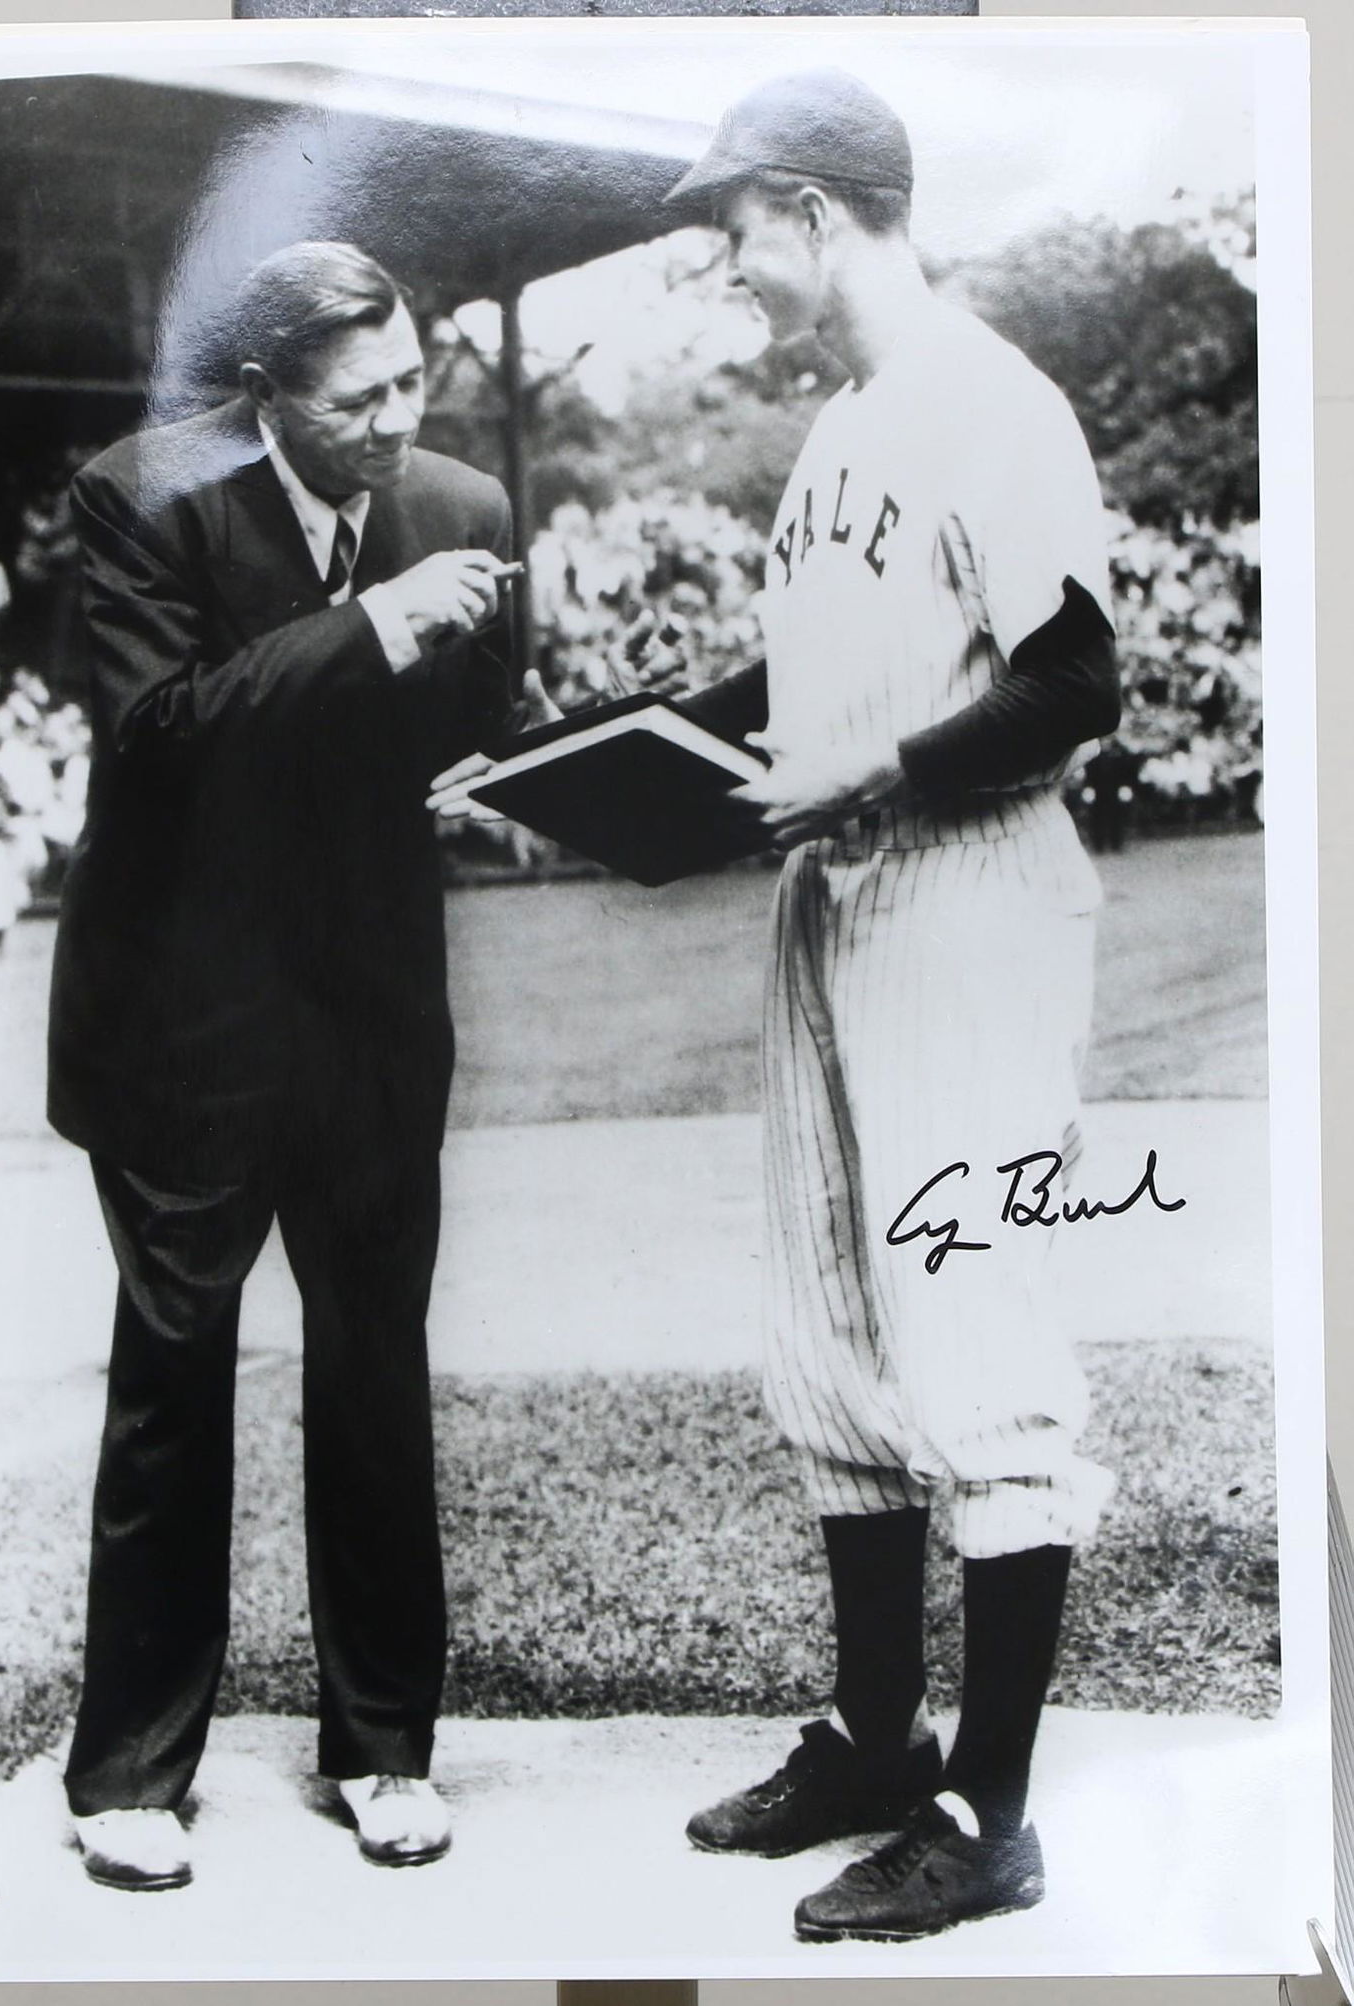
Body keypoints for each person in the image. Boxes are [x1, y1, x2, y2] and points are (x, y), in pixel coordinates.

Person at [434, 66, 1121, 1946]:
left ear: (816, 208)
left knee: (974, 1337)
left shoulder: (996, 403)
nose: (723, 262)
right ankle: (879, 1740)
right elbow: (782, 676)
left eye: (734, 226)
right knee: (828, 1328)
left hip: (966, 906)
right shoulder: (840, 434)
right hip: (835, 905)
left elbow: (1076, 682)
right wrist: (561, 766)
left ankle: (990, 1812)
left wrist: (875, 776)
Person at [47, 240, 520, 1891]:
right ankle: (126, 1771)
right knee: (172, 1379)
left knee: (376, 1366)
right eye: (359, 398)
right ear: (266, 396)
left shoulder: (463, 505)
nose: (402, 418)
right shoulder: (141, 498)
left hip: (374, 1009)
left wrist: (517, 775)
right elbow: (159, 738)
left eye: (413, 378)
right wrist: (372, 629)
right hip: (185, 1019)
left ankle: (386, 1748)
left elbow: (483, 716)